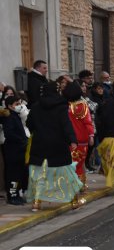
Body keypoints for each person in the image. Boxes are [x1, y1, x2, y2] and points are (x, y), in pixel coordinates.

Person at [26, 81, 83, 212]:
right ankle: (74, 201)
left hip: (40, 143)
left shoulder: (35, 107)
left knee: (40, 173)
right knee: (64, 172)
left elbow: (30, 124)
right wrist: (72, 140)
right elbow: (66, 125)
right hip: (58, 144)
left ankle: (36, 202)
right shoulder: (61, 106)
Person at [62, 81, 94, 192]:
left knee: (70, 163)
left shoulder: (63, 106)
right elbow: (88, 122)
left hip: (67, 139)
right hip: (81, 139)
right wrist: (91, 135)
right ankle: (81, 186)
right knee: (80, 164)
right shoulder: (82, 106)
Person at [2, 96, 28, 205]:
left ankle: (17, 194)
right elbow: (9, 134)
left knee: (19, 174)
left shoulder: (15, 116)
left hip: (19, 150)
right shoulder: (9, 117)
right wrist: (22, 140)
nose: (19, 106)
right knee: (13, 175)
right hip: (13, 150)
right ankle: (12, 196)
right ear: (9, 106)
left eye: (19, 103)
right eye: (16, 104)